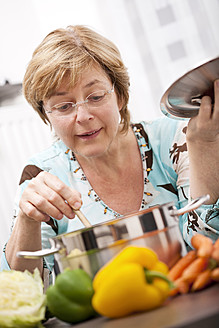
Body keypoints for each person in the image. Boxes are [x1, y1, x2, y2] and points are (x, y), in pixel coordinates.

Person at [1, 25, 218, 281]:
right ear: (46, 114)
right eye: (63, 106)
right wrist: (27, 219)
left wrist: (205, 148)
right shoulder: (42, 173)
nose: (83, 116)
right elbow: (24, 287)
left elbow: (208, 252)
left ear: (120, 95)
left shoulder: (174, 141)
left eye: (95, 96)